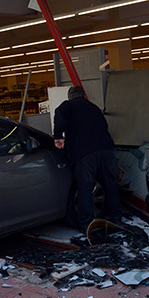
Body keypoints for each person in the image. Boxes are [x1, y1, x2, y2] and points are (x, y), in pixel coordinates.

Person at [53, 85, 122, 232]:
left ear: (70, 96)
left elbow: (59, 115)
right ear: (83, 95)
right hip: (106, 150)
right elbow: (105, 125)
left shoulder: (67, 106)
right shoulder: (94, 107)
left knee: (85, 188)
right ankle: (116, 216)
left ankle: (86, 224)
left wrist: (58, 136)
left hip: (85, 154)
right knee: (110, 185)